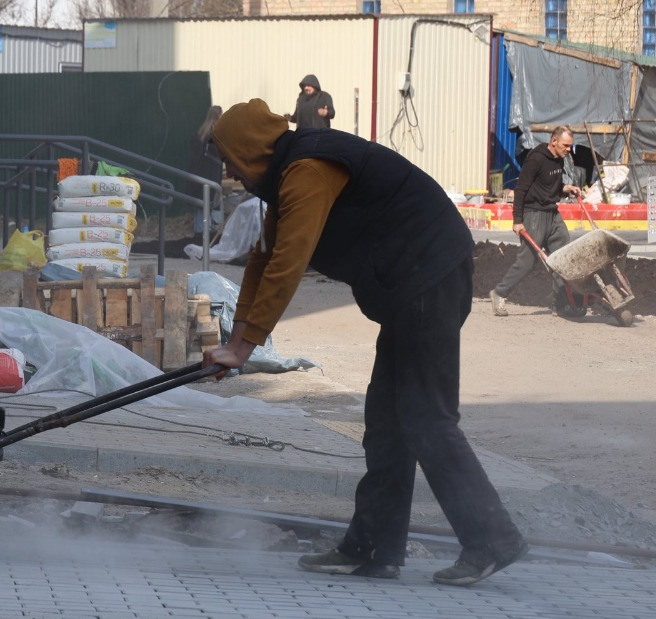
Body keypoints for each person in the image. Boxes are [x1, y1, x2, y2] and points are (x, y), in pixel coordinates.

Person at [204, 99, 528, 586]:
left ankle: (492, 540)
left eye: (228, 156)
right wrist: (236, 344)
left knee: (425, 418)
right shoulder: (290, 172)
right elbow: (261, 262)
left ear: (249, 147)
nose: (227, 168)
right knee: (386, 422)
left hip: (428, 275)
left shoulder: (308, 170)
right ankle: (374, 547)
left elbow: (290, 263)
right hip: (411, 284)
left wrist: (245, 347)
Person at [490, 126, 583, 317]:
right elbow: (521, 189)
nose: (568, 150)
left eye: (570, 146)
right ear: (554, 141)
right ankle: (499, 293)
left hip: (552, 213)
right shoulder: (536, 158)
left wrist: (566, 188)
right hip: (533, 214)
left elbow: (551, 186)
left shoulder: (560, 159)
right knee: (528, 261)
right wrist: (517, 220)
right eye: (566, 145)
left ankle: (562, 303)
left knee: (563, 257)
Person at [187, 105, 224, 241]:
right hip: (212, 172)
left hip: (199, 172)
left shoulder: (201, 132)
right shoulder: (215, 133)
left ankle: (199, 230)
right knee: (213, 201)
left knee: (201, 203)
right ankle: (212, 232)